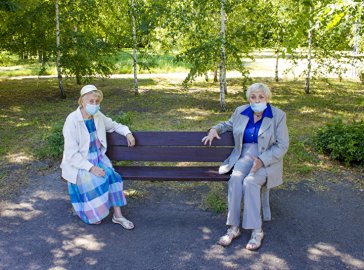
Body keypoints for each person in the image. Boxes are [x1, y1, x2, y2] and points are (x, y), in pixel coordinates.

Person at [202, 83, 289, 251]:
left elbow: (282, 145)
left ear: (267, 98)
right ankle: (233, 228)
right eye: (253, 97)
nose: (257, 100)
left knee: (250, 182)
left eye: (261, 97)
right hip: (244, 156)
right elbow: (227, 124)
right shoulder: (241, 111)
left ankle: (257, 231)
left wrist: (262, 160)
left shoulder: (278, 115)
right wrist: (214, 129)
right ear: (249, 98)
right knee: (235, 179)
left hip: (267, 159)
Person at [61, 84, 135, 229]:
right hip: (80, 163)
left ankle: (118, 216)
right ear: (82, 102)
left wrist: (127, 133)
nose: (94, 104)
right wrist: (91, 168)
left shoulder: (97, 116)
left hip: (98, 158)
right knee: (94, 179)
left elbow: (114, 125)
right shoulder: (72, 120)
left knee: (113, 177)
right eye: (91, 101)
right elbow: (71, 154)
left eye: (97, 101)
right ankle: (93, 213)